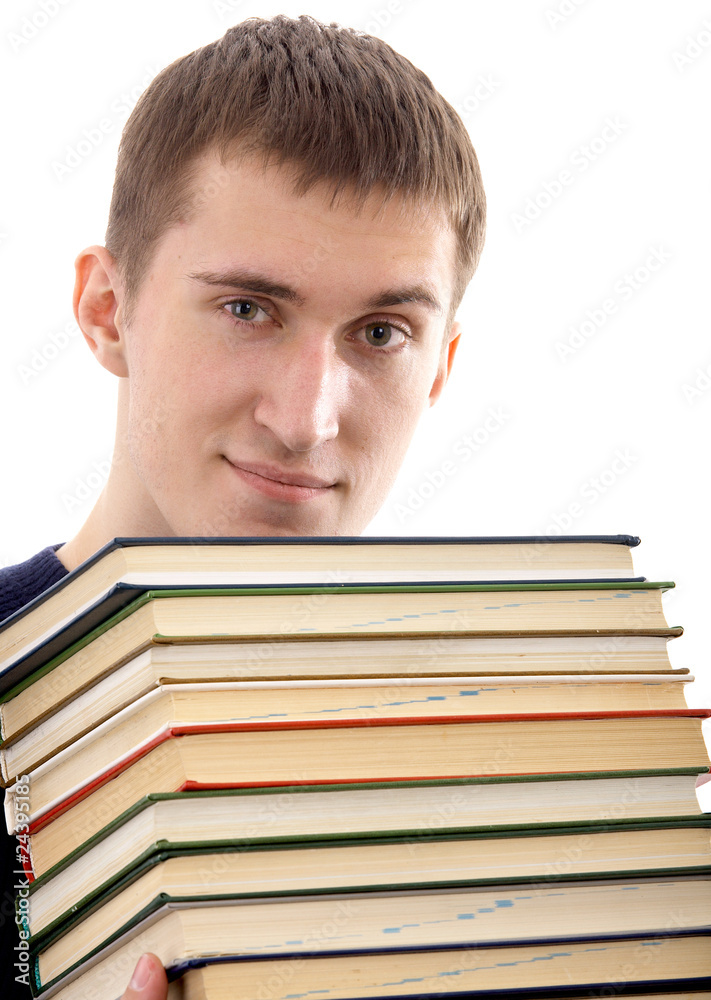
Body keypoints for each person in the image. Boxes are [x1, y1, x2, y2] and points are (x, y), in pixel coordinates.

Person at [0, 14, 485, 999]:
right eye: (247, 310)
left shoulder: (538, 747)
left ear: (440, 367)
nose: (306, 418)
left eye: (382, 332)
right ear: (107, 310)